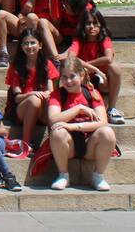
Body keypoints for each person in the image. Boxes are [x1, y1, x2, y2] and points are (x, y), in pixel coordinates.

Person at [47, 54, 117, 192]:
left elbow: (103, 122)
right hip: (68, 146)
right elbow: (53, 119)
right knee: (57, 131)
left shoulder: (92, 93)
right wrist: (78, 108)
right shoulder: (57, 94)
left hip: (90, 144)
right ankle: (63, 175)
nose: (68, 81)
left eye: (72, 76)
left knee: (107, 133)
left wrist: (72, 125)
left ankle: (98, 176)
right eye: (64, 77)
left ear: (81, 75)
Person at [65, 8, 125, 125]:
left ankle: (111, 109)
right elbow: (71, 57)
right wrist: (94, 68)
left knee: (115, 67)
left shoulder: (104, 38)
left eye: (95, 23)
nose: (92, 27)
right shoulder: (79, 39)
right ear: (83, 25)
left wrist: (89, 65)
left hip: (102, 80)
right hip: (84, 77)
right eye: (88, 23)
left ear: (100, 25)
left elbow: (108, 58)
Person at [5, 28, 57, 150]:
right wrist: (33, 93)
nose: (29, 46)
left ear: (40, 45)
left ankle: (55, 141)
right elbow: (17, 98)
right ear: (21, 46)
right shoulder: (16, 66)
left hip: (41, 110)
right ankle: (26, 142)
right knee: (34, 100)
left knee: (50, 102)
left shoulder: (47, 65)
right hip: (19, 111)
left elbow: (50, 91)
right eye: (25, 43)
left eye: (33, 42)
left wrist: (44, 94)